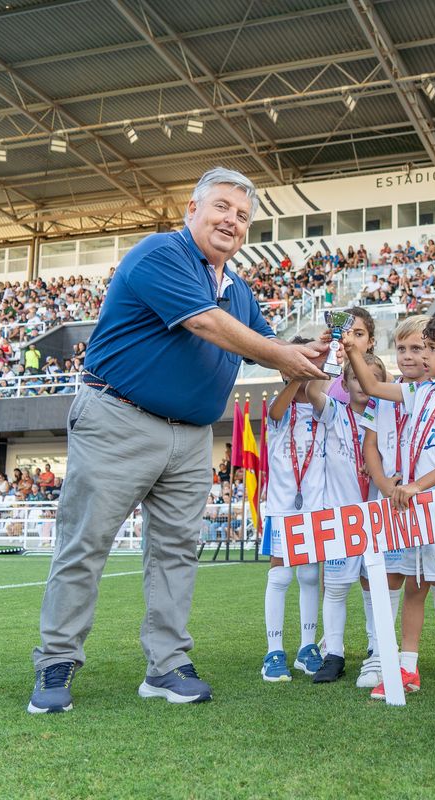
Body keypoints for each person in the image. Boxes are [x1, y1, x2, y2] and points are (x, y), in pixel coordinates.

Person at [28, 167, 326, 715]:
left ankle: (166, 665)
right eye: (222, 207)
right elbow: (208, 325)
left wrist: (314, 351)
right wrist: (284, 354)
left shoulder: (237, 289)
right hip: (118, 418)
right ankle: (56, 659)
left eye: (242, 216)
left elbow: (266, 344)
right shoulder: (161, 253)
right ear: (192, 210)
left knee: (176, 554)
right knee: (85, 544)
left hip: (190, 438)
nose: (231, 221)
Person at [346, 313, 435, 700]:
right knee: (414, 582)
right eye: (411, 348)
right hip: (412, 506)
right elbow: (372, 387)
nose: (420, 355)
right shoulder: (419, 392)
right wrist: (353, 349)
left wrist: (417, 485)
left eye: (428, 348)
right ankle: (404, 665)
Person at [355, 315, 429, 689]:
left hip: (429, 500)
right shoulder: (385, 394)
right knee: (390, 577)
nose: (408, 355)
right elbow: (370, 445)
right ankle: (383, 653)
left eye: (418, 348)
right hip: (390, 499)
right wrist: (384, 485)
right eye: (401, 348)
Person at [305, 352, 388, 683]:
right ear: (345, 382)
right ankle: (334, 654)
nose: (364, 384)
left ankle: (376, 648)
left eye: (373, 377)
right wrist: (331, 354)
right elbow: (312, 391)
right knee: (336, 588)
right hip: (340, 516)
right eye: (356, 377)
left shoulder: (387, 417)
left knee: (374, 586)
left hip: (377, 516)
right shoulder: (334, 412)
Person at [261, 344, 328, 682]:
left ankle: (307, 647)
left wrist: (322, 363)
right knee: (281, 576)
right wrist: (297, 377)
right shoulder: (280, 408)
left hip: (316, 508)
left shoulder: (323, 408)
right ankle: (274, 651)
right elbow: (276, 411)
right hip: (283, 508)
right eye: (297, 365)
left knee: (310, 576)